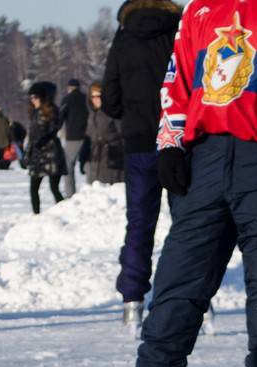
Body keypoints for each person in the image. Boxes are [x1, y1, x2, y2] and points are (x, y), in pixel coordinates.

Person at [90, 0, 257, 367]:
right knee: (180, 271)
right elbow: (177, 77)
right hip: (203, 155)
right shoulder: (200, 10)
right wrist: (169, 143)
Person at [101, 0, 182, 327]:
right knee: (186, 225)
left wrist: (132, 116)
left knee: (139, 223)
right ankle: (191, 298)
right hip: (177, 140)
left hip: (138, 145)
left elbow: (109, 100)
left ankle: (132, 300)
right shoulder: (178, 32)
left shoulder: (124, 38)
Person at [25, 82, 68, 215]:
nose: (33, 101)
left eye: (35, 97)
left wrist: (42, 139)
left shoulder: (51, 110)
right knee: (33, 188)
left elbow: (54, 128)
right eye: (31, 98)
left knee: (54, 188)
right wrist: (27, 154)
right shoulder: (34, 113)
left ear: (42, 98)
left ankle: (66, 212)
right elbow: (32, 137)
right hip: (37, 156)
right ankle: (36, 215)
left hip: (51, 154)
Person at [85, 83, 125, 186]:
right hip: (95, 159)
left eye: (99, 96)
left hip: (112, 159)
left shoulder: (112, 112)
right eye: (93, 96)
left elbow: (122, 134)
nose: (96, 99)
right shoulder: (91, 114)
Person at [59, 78, 90, 198]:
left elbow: (60, 117)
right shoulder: (86, 99)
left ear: (69, 88)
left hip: (73, 137)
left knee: (68, 166)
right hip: (87, 136)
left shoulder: (67, 100)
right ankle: (93, 190)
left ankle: (70, 194)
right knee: (87, 163)